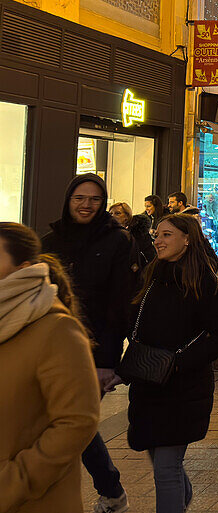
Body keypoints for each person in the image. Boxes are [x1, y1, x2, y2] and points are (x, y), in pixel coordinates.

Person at [126, 214, 218, 513]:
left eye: (166, 235)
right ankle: (181, 495)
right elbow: (134, 318)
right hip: (148, 382)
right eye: (156, 235)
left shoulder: (202, 281)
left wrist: (180, 362)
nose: (158, 240)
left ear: (187, 239)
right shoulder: (152, 275)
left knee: (166, 466)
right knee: (157, 453)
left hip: (184, 388)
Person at [41, 173, 134, 513]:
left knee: (73, 421)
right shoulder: (50, 241)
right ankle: (109, 490)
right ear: (68, 200)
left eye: (95, 199)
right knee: (63, 420)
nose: (87, 205)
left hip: (91, 349)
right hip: (50, 345)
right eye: (80, 198)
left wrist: (107, 361)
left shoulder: (117, 241)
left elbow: (119, 303)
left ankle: (109, 491)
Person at [0, 222, 100, 513]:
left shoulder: (57, 328)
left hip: (31, 503)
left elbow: (77, 421)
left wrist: (15, 481)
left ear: (24, 267)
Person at [111, 201, 156, 272]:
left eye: (117, 213)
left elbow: (148, 256)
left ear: (127, 216)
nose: (113, 216)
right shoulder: (110, 233)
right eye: (110, 213)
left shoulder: (139, 234)